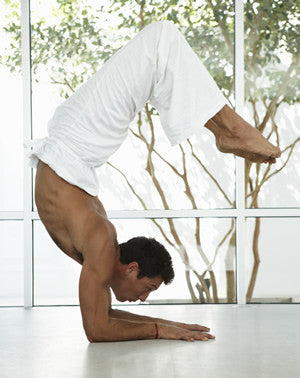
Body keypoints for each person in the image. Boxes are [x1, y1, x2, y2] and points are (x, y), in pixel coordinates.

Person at [26, 21, 281, 343]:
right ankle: (228, 130)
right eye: (148, 288)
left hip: (77, 143)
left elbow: (101, 319)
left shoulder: (100, 250)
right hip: (78, 142)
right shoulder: (102, 245)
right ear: (131, 268)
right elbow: (97, 330)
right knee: (161, 39)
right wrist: (161, 329)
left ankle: (225, 131)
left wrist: (166, 324)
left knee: (161, 49)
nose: (144, 298)